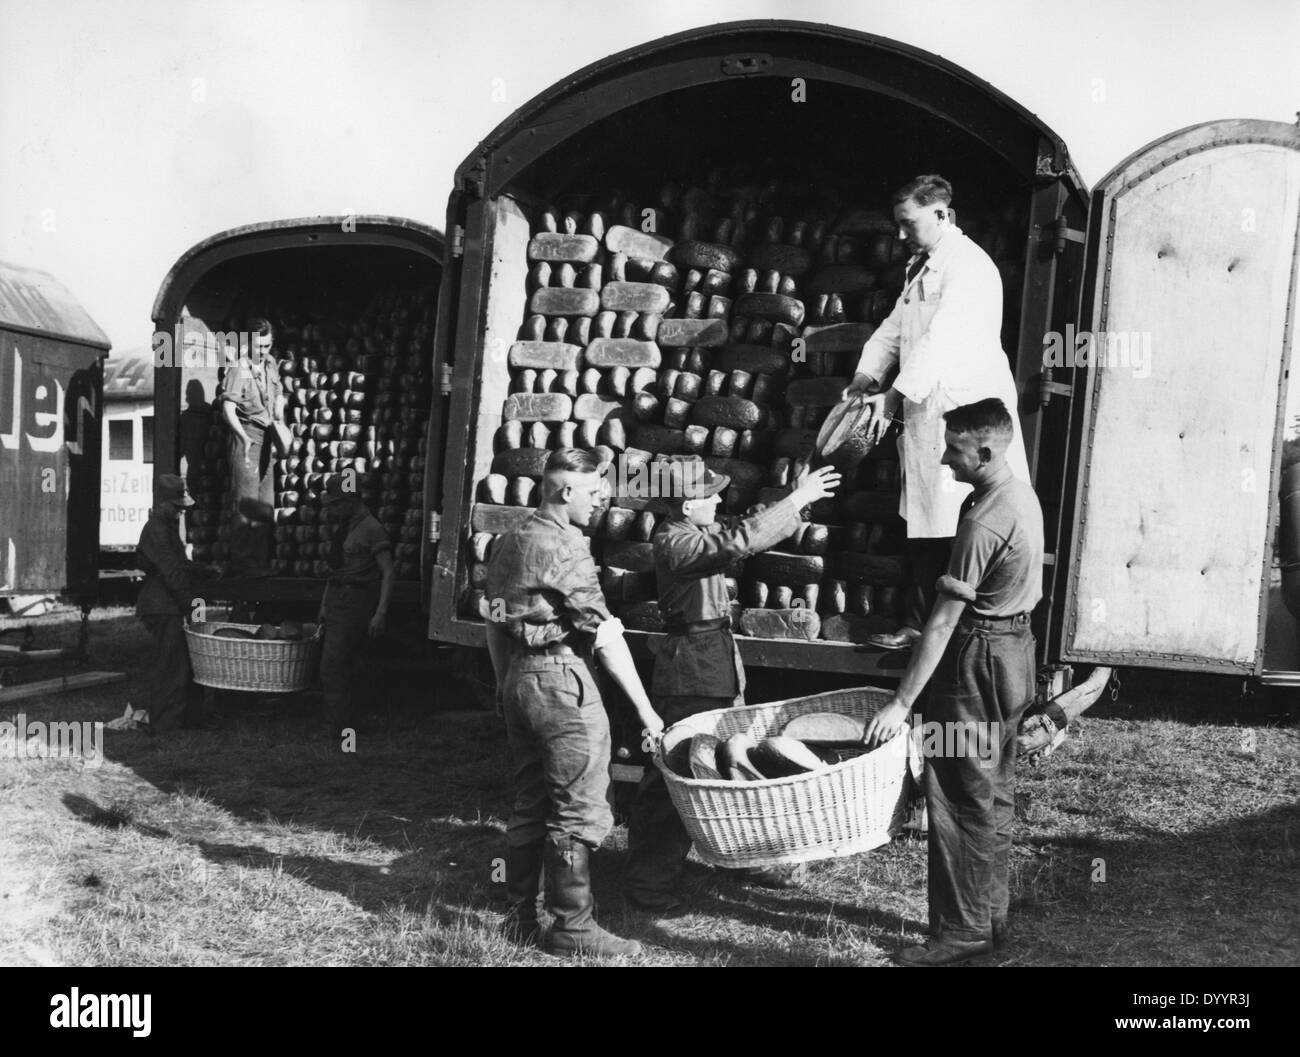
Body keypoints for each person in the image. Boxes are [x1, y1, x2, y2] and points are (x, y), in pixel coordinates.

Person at [862, 398, 1043, 966]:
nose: (943, 458)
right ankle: (990, 919)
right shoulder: (1013, 495)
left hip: (977, 661)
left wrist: (900, 701)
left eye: (953, 448)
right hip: (1014, 654)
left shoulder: (986, 517)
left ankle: (961, 933)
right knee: (994, 791)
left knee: (959, 791)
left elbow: (940, 622)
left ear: (985, 450)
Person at [622, 457, 842, 911]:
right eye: (710, 495)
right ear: (686, 506)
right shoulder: (676, 542)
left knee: (724, 762)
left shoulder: (693, 529)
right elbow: (737, 541)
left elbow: (742, 525)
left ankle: (740, 858)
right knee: (677, 769)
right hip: (693, 669)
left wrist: (791, 501)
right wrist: (798, 500)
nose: (719, 499)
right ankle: (648, 881)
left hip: (711, 659)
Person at [483, 448, 663, 958]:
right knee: (578, 807)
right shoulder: (567, 548)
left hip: (520, 679)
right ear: (565, 492)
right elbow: (604, 636)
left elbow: (494, 621)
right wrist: (648, 713)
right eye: (594, 489)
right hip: (562, 682)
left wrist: (505, 685)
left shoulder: (509, 540)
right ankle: (571, 925)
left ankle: (517, 915)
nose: (602, 497)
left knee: (530, 799)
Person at [843, 175, 1031, 651]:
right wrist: (867, 375)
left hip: (963, 413)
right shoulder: (922, 268)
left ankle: (958, 633)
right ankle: (920, 627)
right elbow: (895, 328)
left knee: (963, 522)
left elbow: (942, 339)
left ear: (942, 214)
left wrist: (892, 396)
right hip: (929, 415)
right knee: (927, 521)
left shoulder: (967, 267)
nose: (901, 235)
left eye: (909, 223)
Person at [317, 475, 395, 736]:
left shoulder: (371, 529)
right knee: (339, 664)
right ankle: (345, 722)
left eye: (336, 504)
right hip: (339, 598)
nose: (332, 510)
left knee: (333, 664)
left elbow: (388, 572)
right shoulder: (346, 526)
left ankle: (336, 726)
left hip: (356, 602)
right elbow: (336, 569)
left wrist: (381, 613)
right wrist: (325, 604)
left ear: (350, 501)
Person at [134, 474, 212, 731]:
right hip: (162, 606)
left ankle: (184, 720)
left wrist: (205, 570)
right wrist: (193, 608)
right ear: (162, 503)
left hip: (168, 605)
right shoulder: (156, 530)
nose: (180, 513)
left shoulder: (165, 527)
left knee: (181, 665)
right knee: (171, 668)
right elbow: (172, 573)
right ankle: (165, 726)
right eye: (177, 508)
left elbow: (180, 566)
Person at [220, 317, 284, 577]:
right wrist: (243, 438)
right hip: (246, 433)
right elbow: (227, 408)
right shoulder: (239, 368)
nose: (263, 351)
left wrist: (280, 408)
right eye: (258, 346)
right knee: (245, 502)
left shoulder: (270, 364)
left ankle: (260, 563)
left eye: (267, 346)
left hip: (267, 434)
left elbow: (278, 391)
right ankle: (243, 563)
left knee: (264, 504)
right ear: (248, 342)